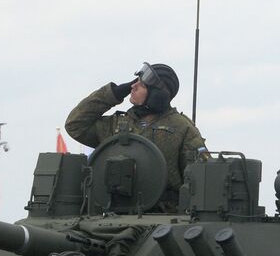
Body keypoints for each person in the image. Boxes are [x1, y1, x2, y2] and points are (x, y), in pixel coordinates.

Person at [65, 62, 206, 212]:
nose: (133, 86)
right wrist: (113, 93)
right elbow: (75, 125)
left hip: (163, 214)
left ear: (157, 96)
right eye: (135, 82)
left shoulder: (182, 128)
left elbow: (202, 178)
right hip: (114, 210)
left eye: (142, 85)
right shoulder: (118, 124)